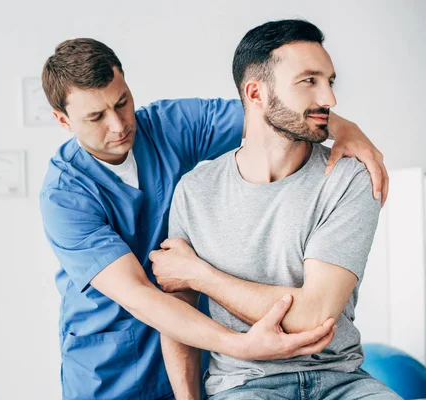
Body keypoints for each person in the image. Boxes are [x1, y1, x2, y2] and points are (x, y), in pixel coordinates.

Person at [39, 37, 389, 400]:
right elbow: (141, 295)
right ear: (63, 120)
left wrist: (345, 128)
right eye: (96, 117)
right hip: (112, 358)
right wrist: (241, 346)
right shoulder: (65, 195)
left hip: (196, 337)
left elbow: (271, 109)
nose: (118, 125)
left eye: (122, 102)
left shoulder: (171, 126)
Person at [151, 19, 400, 400]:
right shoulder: (195, 190)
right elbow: (178, 317)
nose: (330, 100)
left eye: (329, 82)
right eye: (309, 81)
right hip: (244, 385)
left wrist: (199, 274)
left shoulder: (349, 177)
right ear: (256, 93)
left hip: (342, 380)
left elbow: (313, 317)